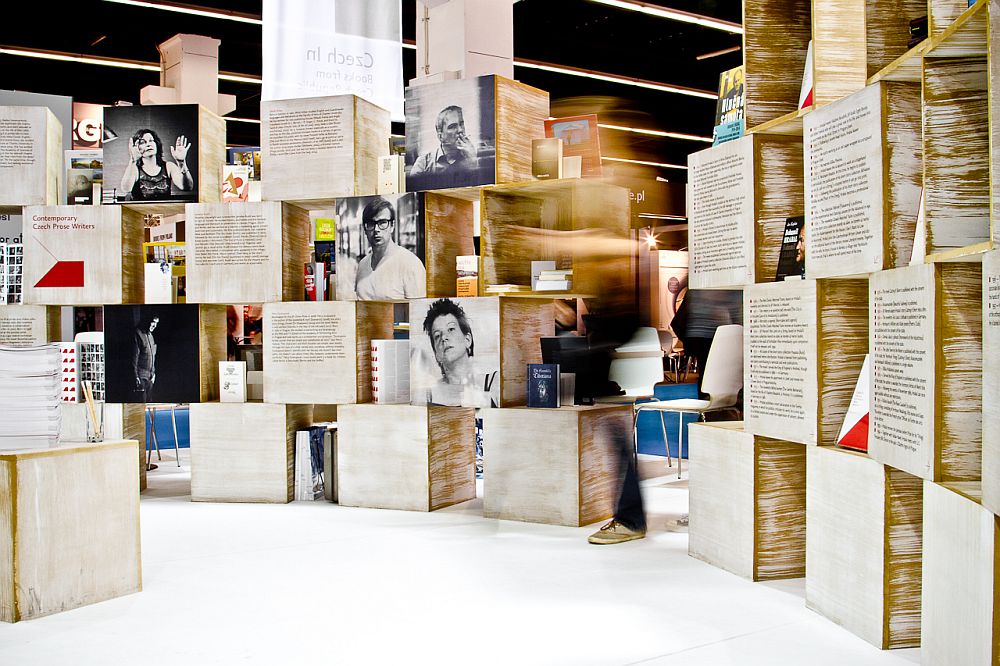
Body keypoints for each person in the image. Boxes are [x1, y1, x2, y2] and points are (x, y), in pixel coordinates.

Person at [421, 298, 499, 408]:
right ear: (436, 354)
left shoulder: (494, 382)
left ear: (467, 340)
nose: (444, 337)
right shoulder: (427, 394)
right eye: (437, 335)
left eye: (451, 329)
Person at [354, 197, 426, 300]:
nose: (376, 229)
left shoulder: (411, 264)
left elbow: (418, 308)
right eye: (370, 224)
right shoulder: (362, 264)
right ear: (365, 229)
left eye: (382, 222)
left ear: (392, 226)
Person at [119, 129, 194, 201]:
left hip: (165, 209)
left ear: (156, 144)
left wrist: (181, 163)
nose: (148, 144)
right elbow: (126, 189)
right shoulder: (135, 169)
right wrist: (132, 160)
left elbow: (187, 187)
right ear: (136, 147)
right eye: (143, 142)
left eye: (151, 140)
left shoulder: (169, 166)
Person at [409, 105, 478, 177]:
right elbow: (413, 183)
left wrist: (473, 160)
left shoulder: (472, 157)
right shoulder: (424, 163)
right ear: (440, 136)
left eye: (461, 124)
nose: (460, 130)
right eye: (452, 127)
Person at [133, 315, 159, 402]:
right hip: (141, 377)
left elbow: (153, 356)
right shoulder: (138, 334)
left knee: (149, 402)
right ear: (147, 320)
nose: (154, 326)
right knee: (142, 402)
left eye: (156, 323)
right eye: (153, 322)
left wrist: (153, 373)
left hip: (150, 377)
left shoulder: (151, 336)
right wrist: (136, 376)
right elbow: (135, 357)